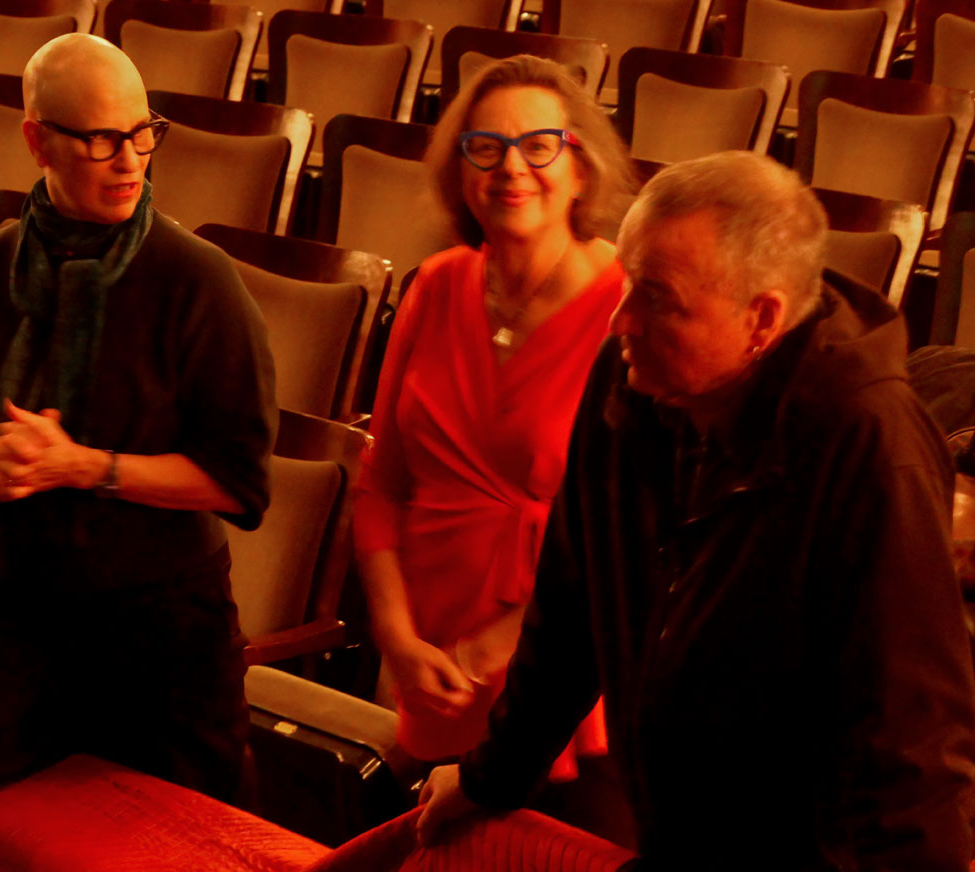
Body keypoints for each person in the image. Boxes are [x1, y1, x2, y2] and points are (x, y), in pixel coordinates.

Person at [416, 152, 975, 869]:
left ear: (761, 319)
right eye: (627, 287)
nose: (622, 320)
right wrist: (493, 773)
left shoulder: (870, 447)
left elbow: (912, 743)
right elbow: (571, 606)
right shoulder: (632, 375)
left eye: (658, 298)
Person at [0, 34, 276, 816]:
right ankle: (68, 720)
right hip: (13, 595)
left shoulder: (198, 280)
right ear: (37, 139)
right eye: (103, 139)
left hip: (160, 615)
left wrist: (87, 468)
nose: (131, 160)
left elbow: (237, 480)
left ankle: (96, 725)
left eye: (144, 134)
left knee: (185, 828)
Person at [353, 54, 632, 783]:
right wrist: (396, 637)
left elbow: (631, 540)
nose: (512, 169)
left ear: (582, 167)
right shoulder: (436, 286)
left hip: (565, 662)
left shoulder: (624, 309)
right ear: (460, 169)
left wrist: (491, 651)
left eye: (539, 145)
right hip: (430, 655)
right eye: (486, 147)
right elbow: (381, 483)